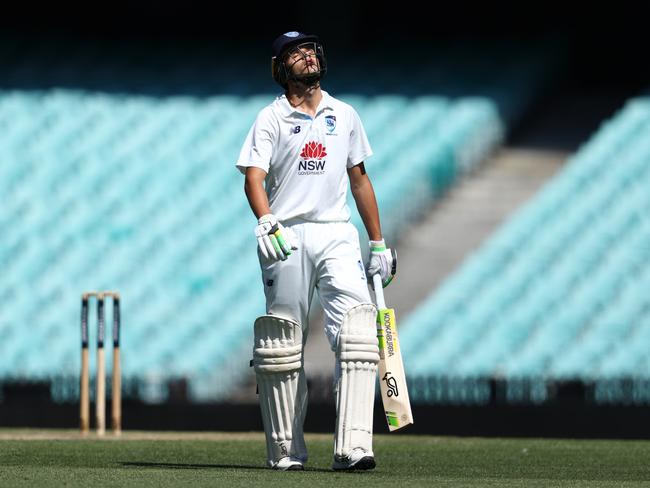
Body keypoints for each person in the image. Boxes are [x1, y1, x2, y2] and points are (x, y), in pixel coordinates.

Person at [236, 31, 396, 471]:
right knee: (282, 345)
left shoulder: (343, 114)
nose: (307, 57)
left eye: (311, 50)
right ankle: (287, 449)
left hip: (336, 232)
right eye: (295, 54)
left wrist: (378, 242)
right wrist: (265, 219)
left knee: (358, 334)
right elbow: (253, 176)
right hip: (284, 235)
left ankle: (354, 446)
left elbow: (360, 179)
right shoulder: (270, 118)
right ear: (280, 69)